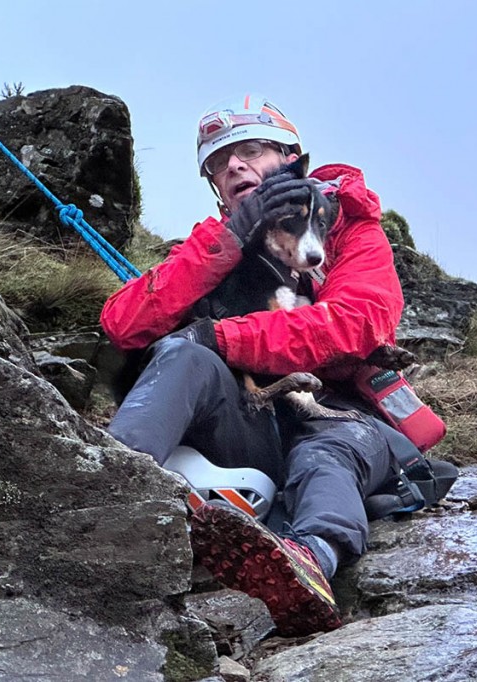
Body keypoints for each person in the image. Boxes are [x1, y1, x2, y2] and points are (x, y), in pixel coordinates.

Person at [100, 94, 420, 637]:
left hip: (339, 416)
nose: (234, 166)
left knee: (328, 453)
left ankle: (309, 560)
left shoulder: (351, 232)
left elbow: (356, 323)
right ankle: (106, 491)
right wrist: (228, 239)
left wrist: (221, 336)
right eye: (219, 164)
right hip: (252, 427)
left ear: (292, 160)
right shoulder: (211, 246)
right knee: (182, 356)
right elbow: (122, 324)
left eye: (251, 151)